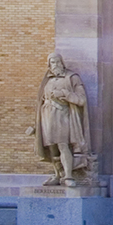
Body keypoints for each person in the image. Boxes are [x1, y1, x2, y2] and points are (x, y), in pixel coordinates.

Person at [35, 52, 92, 186]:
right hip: (47, 117)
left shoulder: (71, 78)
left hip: (63, 116)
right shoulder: (47, 80)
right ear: (49, 65)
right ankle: (57, 174)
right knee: (52, 147)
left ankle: (68, 176)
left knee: (62, 144)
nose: (55, 65)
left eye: (58, 62)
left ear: (62, 63)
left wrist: (64, 94)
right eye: (52, 62)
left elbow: (81, 99)